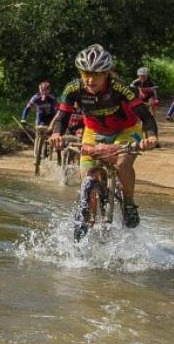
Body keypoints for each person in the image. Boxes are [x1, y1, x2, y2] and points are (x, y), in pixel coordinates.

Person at [49, 45, 157, 227]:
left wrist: (151, 137)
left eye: (96, 74)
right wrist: (56, 134)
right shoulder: (73, 89)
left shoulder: (120, 88)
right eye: (85, 74)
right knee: (86, 179)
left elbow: (145, 116)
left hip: (127, 130)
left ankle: (129, 203)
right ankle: (89, 223)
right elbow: (62, 116)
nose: (90, 80)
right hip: (93, 132)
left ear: (106, 73)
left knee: (122, 163)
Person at [130, 67, 159, 139]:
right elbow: (130, 92)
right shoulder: (135, 82)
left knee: (152, 104)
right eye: (140, 76)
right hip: (139, 99)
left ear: (147, 75)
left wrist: (155, 99)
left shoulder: (151, 82)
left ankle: (153, 118)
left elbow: (154, 92)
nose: (142, 77)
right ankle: (137, 136)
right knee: (137, 118)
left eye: (144, 76)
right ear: (138, 76)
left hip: (149, 98)